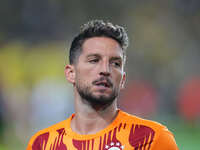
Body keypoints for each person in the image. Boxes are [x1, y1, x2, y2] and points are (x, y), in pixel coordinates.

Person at [26, 20, 179, 150]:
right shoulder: (42, 144)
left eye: (115, 63)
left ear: (123, 79)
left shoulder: (152, 139)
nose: (105, 70)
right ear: (71, 73)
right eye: (94, 60)